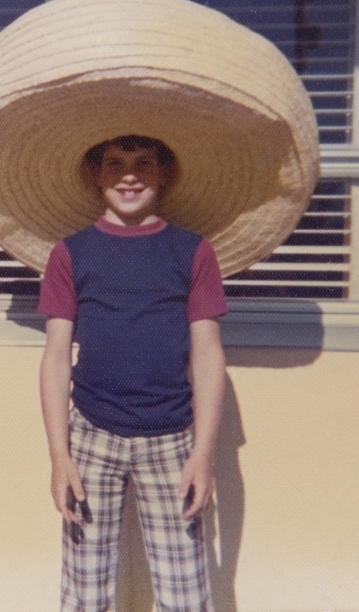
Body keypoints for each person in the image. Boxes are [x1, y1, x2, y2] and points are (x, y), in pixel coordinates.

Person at [38, 135, 228, 612]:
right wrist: (59, 455)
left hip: (172, 439)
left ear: (163, 173)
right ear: (96, 176)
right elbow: (56, 356)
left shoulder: (192, 251)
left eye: (143, 163)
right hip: (90, 437)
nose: (129, 174)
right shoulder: (71, 253)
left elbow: (207, 354)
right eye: (116, 164)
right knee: (85, 590)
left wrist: (203, 453)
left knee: (184, 589)